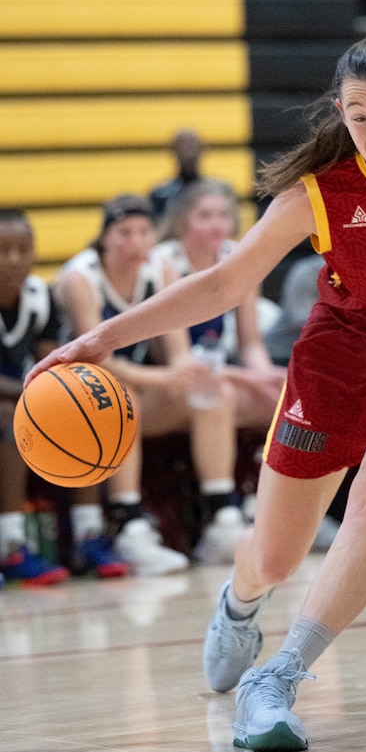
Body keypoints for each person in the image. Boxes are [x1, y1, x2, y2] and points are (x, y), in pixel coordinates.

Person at [28, 30, 366, 752]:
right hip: (340, 357)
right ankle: (240, 602)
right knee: (276, 557)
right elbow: (225, 283)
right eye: (360, 116)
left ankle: (281, 673)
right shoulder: (319, 194)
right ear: (341, 113)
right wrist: (98, 339)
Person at [53, 195, 245, 576]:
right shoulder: (81, 278)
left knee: (211, 395)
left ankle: (222, 520)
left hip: (137, 388)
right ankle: (129, 527)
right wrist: (165, 377)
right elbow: (96, 358)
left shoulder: (160, 268)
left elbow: (177, 350)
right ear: (105, 238)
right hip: (72, 397)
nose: (136, 241)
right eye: (124, 232)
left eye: (144, 232)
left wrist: (187, 372)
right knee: (121, 402)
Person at [154, 178, 296, 562]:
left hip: (220, 372)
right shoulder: (165, 261)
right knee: (219, 394)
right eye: (204, 216)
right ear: (183, 222)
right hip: (172, 378)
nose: (216, 224)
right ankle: (221, 522)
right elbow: (181, 360)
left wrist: (270, 376)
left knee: (289, 400)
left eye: (222, 215)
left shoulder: (238, 255)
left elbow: (251, 344)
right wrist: (251, 377)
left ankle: (276, 511)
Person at [0, 208, 127, 585]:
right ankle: (10, 545)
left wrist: (58, 396)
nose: (14, 259)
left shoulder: (41, 295)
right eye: (3, 250)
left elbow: (50, 364)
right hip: (10, 402)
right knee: (9, 417)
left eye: (24, 249)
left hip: (15, 395)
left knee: (79, 410)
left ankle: (88, 536)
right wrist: (31, 393)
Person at [149, 128, 204, 219]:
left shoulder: (218, 192)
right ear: (173, 150)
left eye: (192, 146)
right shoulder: (160, 194)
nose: (188, 153)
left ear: (201, 150)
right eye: (183, 146)